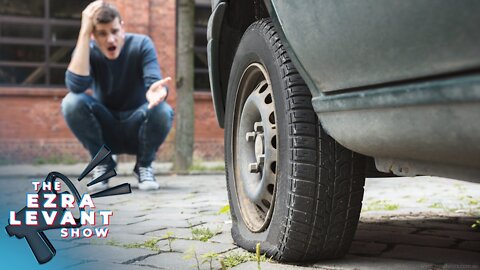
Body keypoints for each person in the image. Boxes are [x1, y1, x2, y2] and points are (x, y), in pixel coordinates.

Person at [62, 1, 174, 191]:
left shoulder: (141, 44)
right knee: (71, 102)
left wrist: (158, 92)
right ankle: (103, 164)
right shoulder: (88, 49)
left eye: (114, 31)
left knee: (163, 110)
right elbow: (76, 86)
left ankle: (144, 166)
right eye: (102, 34)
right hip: (106, 128)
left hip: (137, 126)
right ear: (93, 35)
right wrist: (83, 32)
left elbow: (154, 81)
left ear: (122, 27)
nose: (110, 40)